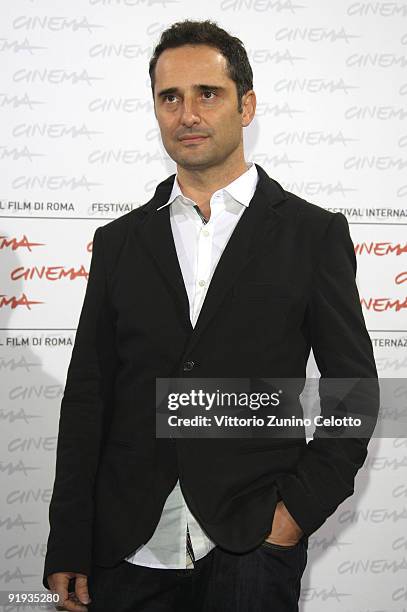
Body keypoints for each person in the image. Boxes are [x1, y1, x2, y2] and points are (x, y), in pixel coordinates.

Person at [43, 19, 380, 612]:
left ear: (246, 105)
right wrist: (69, 539)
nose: (187, 113)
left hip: (253, 543)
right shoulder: (119, 242)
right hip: (126, 546)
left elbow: (353, 392)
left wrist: (295, 514)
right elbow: (87, 398)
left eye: (208, 94)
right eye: (170, 97)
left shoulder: (312, 233)